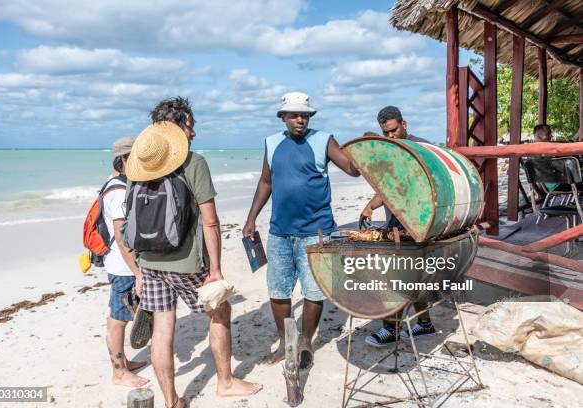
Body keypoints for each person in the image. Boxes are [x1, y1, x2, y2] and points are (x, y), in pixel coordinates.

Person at [128, 97, 262, 408]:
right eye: (191, 126)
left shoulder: (142, 165)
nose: (194, 133)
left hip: (149, 260)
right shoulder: (193, 162)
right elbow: (211, 220)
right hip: (187, 261)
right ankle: (226, 383)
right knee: (220, 311)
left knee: (162, 328)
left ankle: (172, 400)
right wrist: (215, 269)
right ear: (178, 129)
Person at [243, 92, 360, 368]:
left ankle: (305, 340)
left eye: (305, 115)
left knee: (314, 291)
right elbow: (265, 182)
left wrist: (365, 151)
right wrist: (250, 219)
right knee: (278, 290)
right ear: (283, 117)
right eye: (294, 115)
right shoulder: (272, 143)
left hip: (316, 232)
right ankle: (286, 343)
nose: (300, 120)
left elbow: (353, 169)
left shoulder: (324, 140)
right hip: (280, 232)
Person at [360, 106, 436, 348]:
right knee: (415, 279)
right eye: (386, 134)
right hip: (396, 225)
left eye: (393, 131)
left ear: (404, 124)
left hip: (418, 226)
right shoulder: (390, 149)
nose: (390, 137)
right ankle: (424, 325)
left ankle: (390, 330)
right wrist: (371, 206)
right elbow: (389, 185)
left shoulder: (421, 149)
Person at [103, 136, 149, 387]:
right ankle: (119, 371)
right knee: (119, 318)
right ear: (123, 159)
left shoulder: (115, 182)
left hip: (122, 264)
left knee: (119, 315)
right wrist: (138, 272)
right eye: (137, 157)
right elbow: (122, 239)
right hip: (123, 267)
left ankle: (123, 362)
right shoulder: (119, 191)